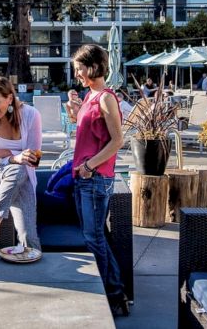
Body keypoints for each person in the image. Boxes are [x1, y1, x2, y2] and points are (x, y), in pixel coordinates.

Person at [71, 44, 129, 316]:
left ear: (92, 66)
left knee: (93, 238)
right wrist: (74, 114)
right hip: (85, 177)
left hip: (94, 179)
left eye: (79, 67)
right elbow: (89, 134)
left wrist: (89, 167)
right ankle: (117, 295)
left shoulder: (106, 98)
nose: (77, 73)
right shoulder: (89, 96)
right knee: (96, 237)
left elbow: (118, 140)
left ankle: (110, 297)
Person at [0, 77, 42, 252]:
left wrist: (4, 154)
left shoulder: (30, 115)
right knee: (18, 168)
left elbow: (34, 159)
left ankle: (38, 275)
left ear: (10, 99)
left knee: (29, 237)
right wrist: (13, 157)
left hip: (22, 177)